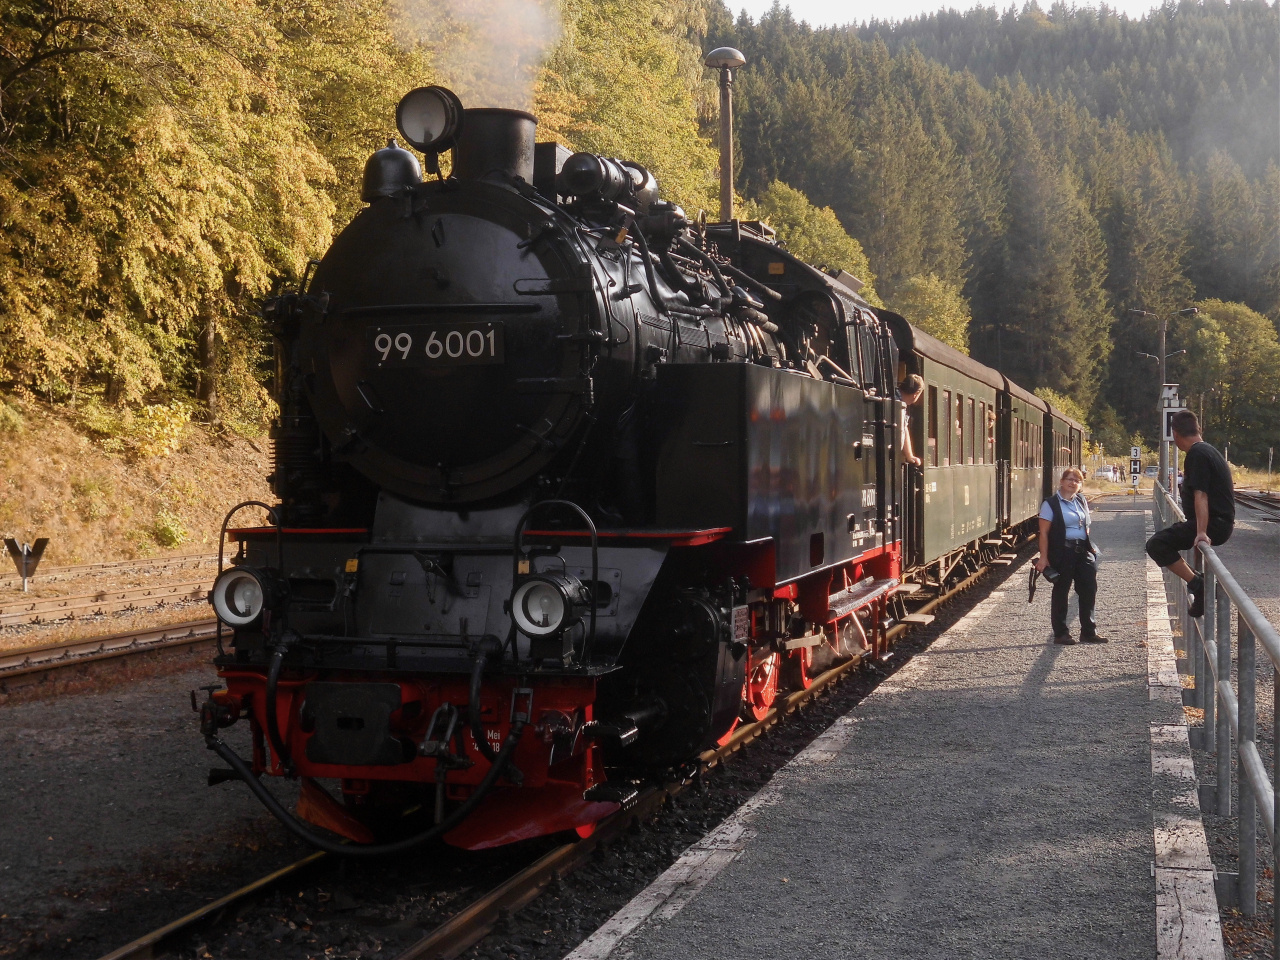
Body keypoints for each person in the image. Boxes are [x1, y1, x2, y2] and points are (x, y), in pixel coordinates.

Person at [1144, 410, 1234, 617]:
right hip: (1219, 523)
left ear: (1175, 434)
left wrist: (1201, 532)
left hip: (1214, 524)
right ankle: (1200, 584)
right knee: (1169, 540)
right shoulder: (1209, 450)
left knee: (1156, 544)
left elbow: (1201, 495)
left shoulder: (1197, 455)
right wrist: (1196, 531)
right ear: (1197, 430)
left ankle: (1199, 584)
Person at [1035, 467, 1106, 644]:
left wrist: (1089, 546)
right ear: (1061, 481)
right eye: (1069, 479)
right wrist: (1044, 557)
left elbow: (1085, 525)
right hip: (1063, 553)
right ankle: (1061, 633)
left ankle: (1089, 632)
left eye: (1077, 480)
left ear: (1080, 485)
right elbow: (1043, 533)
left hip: (1083, 552)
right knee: (1061, 591)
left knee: (1089, 589)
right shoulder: (1050, 504)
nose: (1073, 482)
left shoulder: (1081, 500)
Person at [899, 374, 924, 467]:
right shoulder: (897, 403)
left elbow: (904, 428)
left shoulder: (901, 404)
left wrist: (909, 455)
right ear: (916, 394)